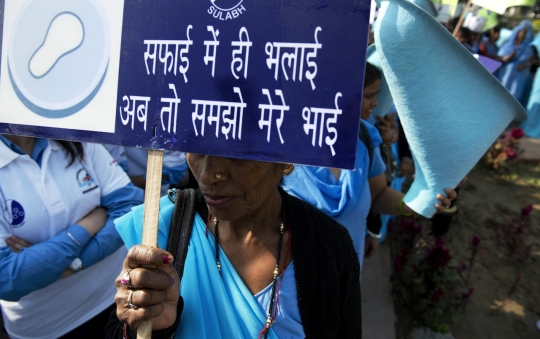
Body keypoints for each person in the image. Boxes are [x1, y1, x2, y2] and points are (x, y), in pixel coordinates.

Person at [106, 155, 362, 338]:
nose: (207, 174)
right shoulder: (161, 230)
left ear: (286, 158)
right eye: (196, 146)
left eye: (237, 153)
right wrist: (147, 322)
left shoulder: (327, 247)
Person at [281, 63, 458, 268]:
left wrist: (419, 203)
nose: (375, 103)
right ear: (341, 95)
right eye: (368, 96)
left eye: (377, 95)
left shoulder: (364, 137)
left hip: (346, 279)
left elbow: (379, 195)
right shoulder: (281, 142)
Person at [0, 135, 144, 339]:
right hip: (46, 328)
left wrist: (66, 264)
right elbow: (6, 279)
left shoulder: (77, 137)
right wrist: (92, 221)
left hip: (117, 299)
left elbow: (129, 210)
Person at [497, 21, 535, 106]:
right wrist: (508, 57)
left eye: (526, 33)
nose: (525, 35)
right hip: (506, 74)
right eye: (523, 32)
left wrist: (525, 65)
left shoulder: (527, 48)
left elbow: (532, 60)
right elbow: (499, 58)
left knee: (513, 99)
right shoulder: (507, 45)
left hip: (518, 76)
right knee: (501, 94)